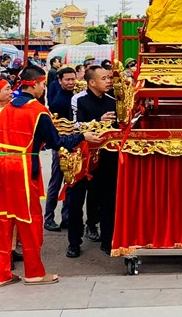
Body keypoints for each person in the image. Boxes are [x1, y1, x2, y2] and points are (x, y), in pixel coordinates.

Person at [0, 64, 99, 287]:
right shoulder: (37, 111)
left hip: (0, 166)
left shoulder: (5, 109)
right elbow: (57, 142)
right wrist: (83, 136)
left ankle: (1, 274)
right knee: (29, 220)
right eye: (42, 84)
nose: (43, 89)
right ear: (37, 84)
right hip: (23, 166)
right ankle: (34, 273)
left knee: (2, 219)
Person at [69, 66, 118, 257]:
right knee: (75, 202)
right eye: (104, 78)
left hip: (107, 157)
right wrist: (98, 120)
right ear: (91, 82)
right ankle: (74, 243)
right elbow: (74, 125)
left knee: (108, 201)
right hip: (83, 157)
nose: (109, 81)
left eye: (109, 78)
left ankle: (108, 240)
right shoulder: (78, 99)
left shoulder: (113, 101)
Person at [44, 66, 77, 232]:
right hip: (61, 145)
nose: (71, 82)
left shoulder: (77, 97)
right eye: (67, 80)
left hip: (76, 144)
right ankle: (48, 218)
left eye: (73, 79)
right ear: (60, 81)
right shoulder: (58, 102)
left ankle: (67, 217)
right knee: (56, 182)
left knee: (71, 183)